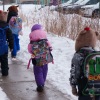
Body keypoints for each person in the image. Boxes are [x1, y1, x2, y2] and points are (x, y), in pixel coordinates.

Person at [69, 27, 100, 100]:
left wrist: (73, 87)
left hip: (85, 87)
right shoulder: (96, 54)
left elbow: (74, 72)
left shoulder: (78, 55)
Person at [28, 24, 53, 92]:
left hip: (36, 60)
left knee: (38, 72)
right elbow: (50, 48)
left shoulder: (32, 42)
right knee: (44, 71)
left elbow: (29, 50)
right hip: (45, 59)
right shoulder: (45, 40)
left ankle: (40, 85)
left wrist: (34, 52)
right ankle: (43, 82)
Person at [0, 10, 14, 76]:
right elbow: (10, 38)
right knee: (4, 61)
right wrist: (11, 46)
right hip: (4, 47)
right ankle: (5, 72)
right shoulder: (7, 27)